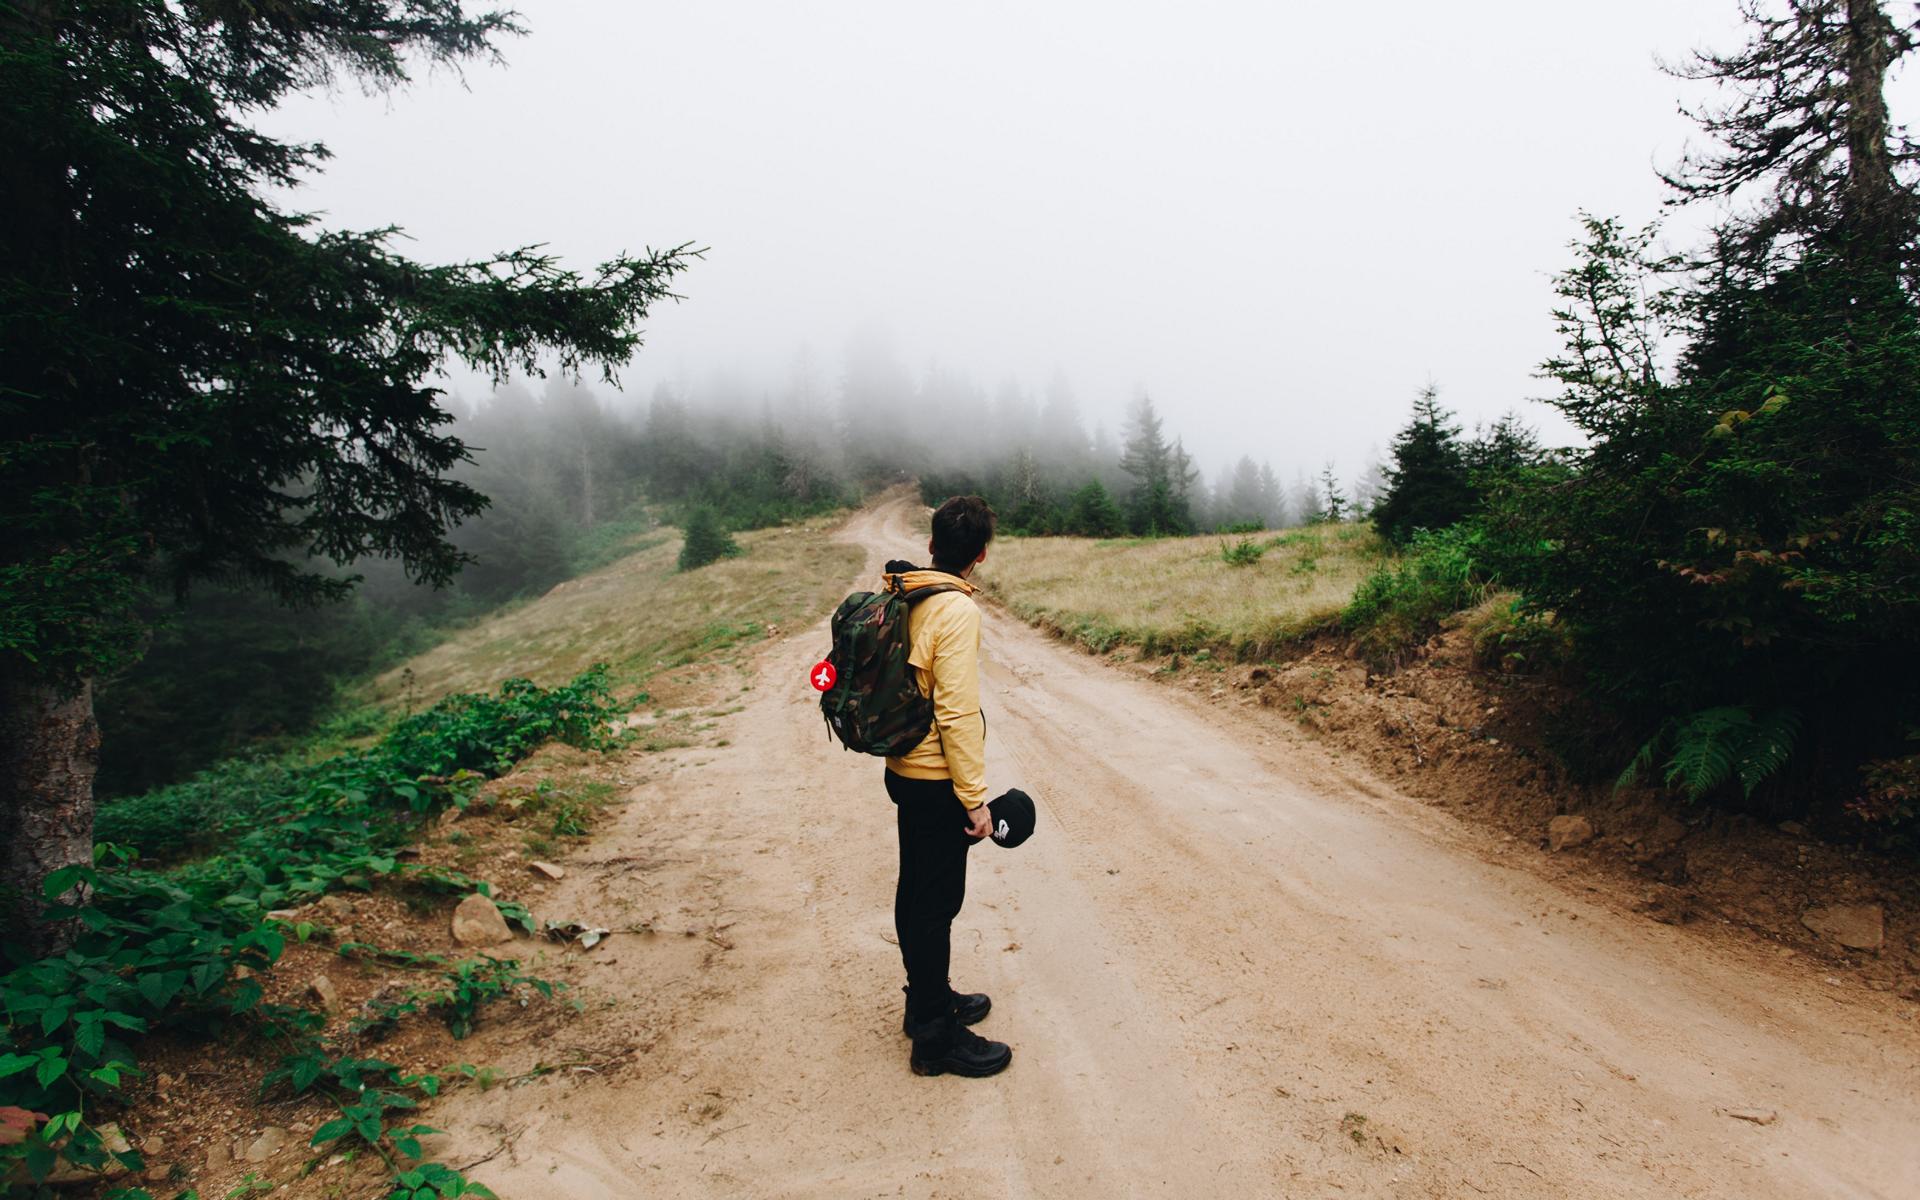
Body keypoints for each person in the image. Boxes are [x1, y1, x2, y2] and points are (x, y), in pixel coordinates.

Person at [882, 495, 1013, 1078]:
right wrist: (975, 799)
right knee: (936, 905)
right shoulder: (955, 612)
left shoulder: (905, 592)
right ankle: (935, 1040)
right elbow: (957, 714)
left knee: (916, 894)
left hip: (903, 770)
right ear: (979, 555)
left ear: (932, 545)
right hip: (937, 780)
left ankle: (926, 1002)